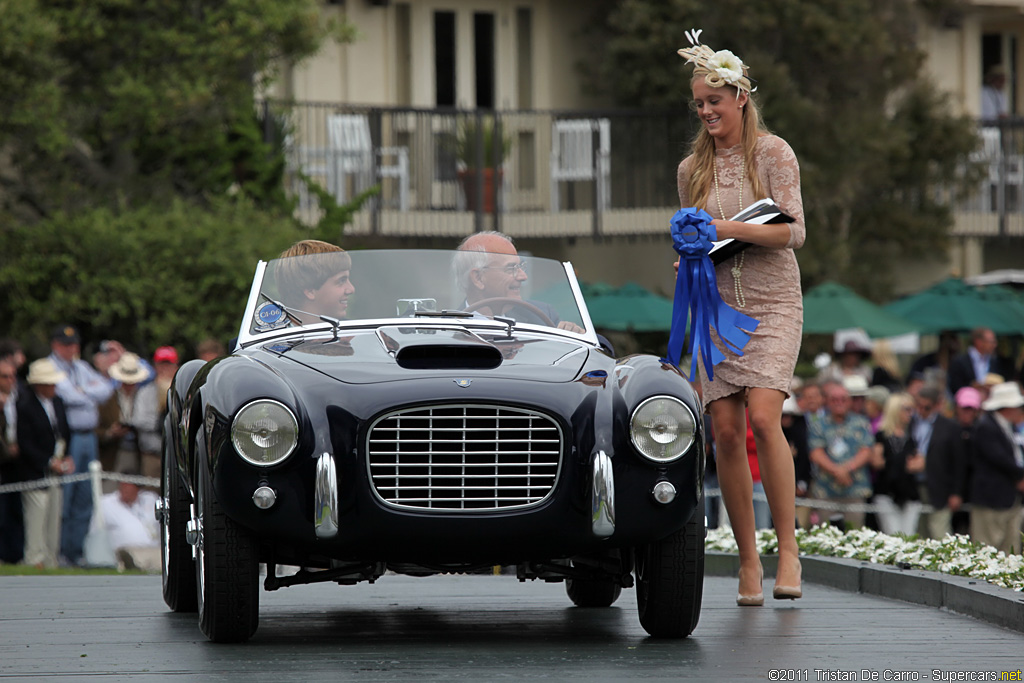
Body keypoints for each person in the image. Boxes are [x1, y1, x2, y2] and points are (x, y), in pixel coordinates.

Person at [675, 33, 805, 604]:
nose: (706, 111)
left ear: (741, 98)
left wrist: (728, 229)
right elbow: (688, 239)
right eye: (699, 103)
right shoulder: (690, 169)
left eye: (715, 101)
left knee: (761, 415)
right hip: (714, 306)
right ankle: (748, 561)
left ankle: (790, 552)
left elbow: (792, 231)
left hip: (774, 301)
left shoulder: (773, 153)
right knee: (723, 431)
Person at [48, 325, 114, 566]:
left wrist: (82, 390)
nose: (72, 349)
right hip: (70, 436)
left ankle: (76, 551)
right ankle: (60, 551)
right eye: (67, 345)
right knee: (67, 495)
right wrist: (87, 392)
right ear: (55, 345)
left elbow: (106, 390)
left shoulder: (81, 367)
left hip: (89, 436)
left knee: (86, 495)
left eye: (74, 344)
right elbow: (68, 396)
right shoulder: (51, 367)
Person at [453, 232, 585, 333]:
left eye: (521, 266)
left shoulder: (542, 316)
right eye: (511, 268)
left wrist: (576, 333)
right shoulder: (445, 331)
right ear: (478, 278)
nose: (523, 276)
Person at [15, 358, 73, 568]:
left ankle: (51, 559)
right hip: (35, 472)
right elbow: (25, 443)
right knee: (36, 517)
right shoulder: (25, 407)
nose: (53, 387)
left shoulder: (57, 402)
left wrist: (66, 457)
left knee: (54, 517)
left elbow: (64, 431)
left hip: (57, 469)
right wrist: (48, 461)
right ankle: (34, 558)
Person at [808, 382, 875, 529]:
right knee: (825, 535)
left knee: (855, 534)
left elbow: (867, 451)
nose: (839, 403)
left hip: (854, 488)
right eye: (834, 399)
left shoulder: (861, 423)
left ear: (850, 401)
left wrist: (847, 469)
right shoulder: (818, 424)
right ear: (827, 401)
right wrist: (837, 471)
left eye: (843, 399)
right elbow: (815, 453)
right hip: (826, 490)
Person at [968, 382, 1024, 554]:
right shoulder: (986, 427)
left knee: (1010, 549)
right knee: (987, 549)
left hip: (1010, 499)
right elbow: (999, 459)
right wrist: (1020, 476)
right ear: (1007, 407)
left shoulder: (1008, 427)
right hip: (991, 501)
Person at [911, 385, 966, 539]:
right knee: (918, 531)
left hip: (940, 487)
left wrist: (956, 492)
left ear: (936, 405)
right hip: (914, 485)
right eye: (918, 406)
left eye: (926, 407)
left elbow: (959, 463)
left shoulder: (950, 427)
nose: (921, 411)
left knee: (939, 532)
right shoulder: (911, 423)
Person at [871, 393, 924, 536]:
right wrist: (901, 462)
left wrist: (893, 461)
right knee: (893, 535)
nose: (910, 413)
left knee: (909, 535)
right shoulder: (882, 435)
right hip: (887, 491)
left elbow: (919, 463)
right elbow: (876, 462)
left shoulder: (911, 437)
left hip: (908, 492)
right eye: (907, 409)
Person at [273, 239, 355, 323]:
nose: (351, 289)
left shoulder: (355, 333)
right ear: (310, 291)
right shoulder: (273, 335)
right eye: (341, 281)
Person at [99, 478, 161, 571]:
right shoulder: (106, 503)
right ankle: (130, 563)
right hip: (125, 549)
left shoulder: (151, 498)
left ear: (137, 488)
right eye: (122, 487)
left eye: (128, 487)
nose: (125, 491)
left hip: (154, 549)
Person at [0, 357, 24, 563]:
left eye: (13, 376)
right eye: (5, 376)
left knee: (14, 510)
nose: (10, 380)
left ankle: (13, 555)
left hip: (16, 462)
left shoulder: (19, 397)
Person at [948, 327, 1013, 397]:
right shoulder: (960, 361)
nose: (994, 345)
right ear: (979, 342)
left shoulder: (997, 361)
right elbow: (955, 386)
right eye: (991, 342)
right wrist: (973, 387)